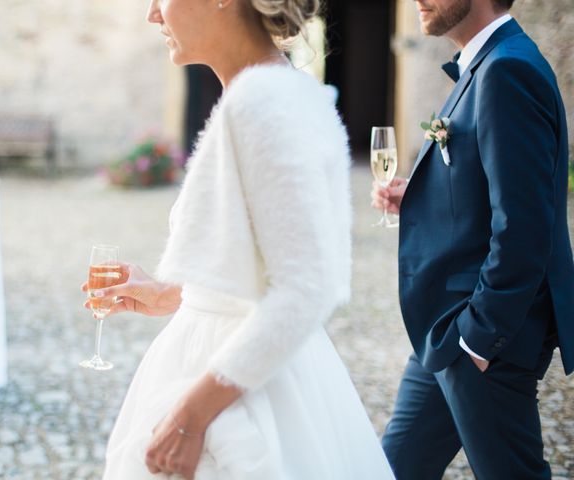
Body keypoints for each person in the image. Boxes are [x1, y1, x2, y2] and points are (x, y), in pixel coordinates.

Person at [84, 0, 395, 478]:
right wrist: (174, 293)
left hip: (243, 393)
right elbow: (265, 266)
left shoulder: (263, 103)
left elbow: (306, 290)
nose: (152, 14)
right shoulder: (273, 93)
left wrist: (192, 415)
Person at [371, 0, 574, 478]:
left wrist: (479, 340)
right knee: (393, 468)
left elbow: (524, 226)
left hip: (482, 333)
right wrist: (419, 196)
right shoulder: (485, 64)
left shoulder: (507, 70)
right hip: (445, 328)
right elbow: (486, 188)